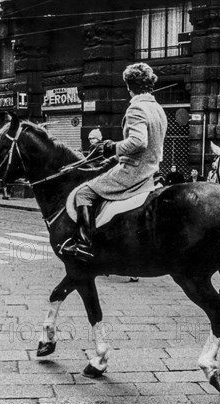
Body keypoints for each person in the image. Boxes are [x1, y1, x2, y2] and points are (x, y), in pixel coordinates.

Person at [61, 62, 167, 262]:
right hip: (151, 170)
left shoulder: (136, 108)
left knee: (84, 192)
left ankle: (84, 243)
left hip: (134, 172)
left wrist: (112, 147)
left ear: (129, 86)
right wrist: (114, 157)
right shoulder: (157, 109)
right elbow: (153, 145)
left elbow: (139, 142)